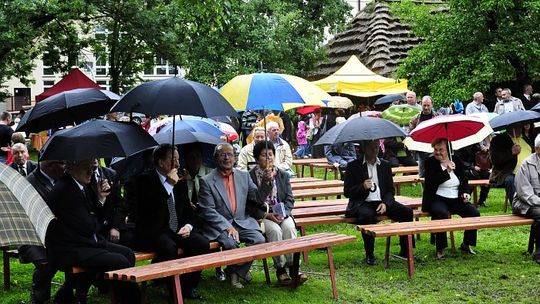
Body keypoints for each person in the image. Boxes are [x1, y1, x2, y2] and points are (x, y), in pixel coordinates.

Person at [46, 159, 140, 303]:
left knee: (128, 254)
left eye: (91, 167)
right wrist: (97, 211)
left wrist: (101, 199)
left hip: (85, 241)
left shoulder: (79, 184)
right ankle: (130, 300)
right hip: (69, 249)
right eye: (86, 167)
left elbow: (93, 220)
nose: (91, 171)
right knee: (120, 261)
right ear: (72, 166)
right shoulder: (66, 190)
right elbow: (90, 226)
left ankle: (117, 295)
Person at [132, 144, 210, 299]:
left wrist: (188, 226)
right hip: (153, 230)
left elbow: (188, 210)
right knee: (169, 248)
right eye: (173, 159)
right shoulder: (144, 180)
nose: (178, 163)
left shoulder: (179, 179)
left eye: (178, 159)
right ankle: (173, 290)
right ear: (161, 162)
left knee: (201, 243)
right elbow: (149, 212)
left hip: (176, 229)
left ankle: (187, 287)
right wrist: (168, 185)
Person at [198, 143, 272, 288]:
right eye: (222, 155)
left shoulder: (243, 176)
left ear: (235, 157)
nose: (226, 158)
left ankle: (235, 272)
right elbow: (208, 211)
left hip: (241, 221)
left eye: (230, 154)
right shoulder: (206, 181)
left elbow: (257, 198)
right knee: (231, 243)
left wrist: (265, 182)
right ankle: (238, 273)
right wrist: (227, 226)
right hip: (220, 226)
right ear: (215, 158)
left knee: (259, 240)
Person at [344, 140, 414, 265]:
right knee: (366, 215)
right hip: (363, 202)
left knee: (407, 213)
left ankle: (406, 250)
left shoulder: (385, 165)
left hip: (381, 201)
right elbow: (347, 192)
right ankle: (370, 254)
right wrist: (362, 186)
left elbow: (390, 190)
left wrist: (386, 203)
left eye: (376, 148)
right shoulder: (353, 166)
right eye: (371, 148)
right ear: (364, 149)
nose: (375, 151)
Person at [248, 141, 307, 285]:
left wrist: (284, 213)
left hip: (282, 213)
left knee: (289, 228)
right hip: (263, 216)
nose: (268, 158)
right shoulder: (250, 177)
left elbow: (289, 198)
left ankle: (293, 266)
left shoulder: (282, 175)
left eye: (270, 154)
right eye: (263, 155)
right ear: (257, 158)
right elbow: (250, 204)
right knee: (275, 231)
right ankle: (280, 269)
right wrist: (267, 215)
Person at [423, 138, 480, 259]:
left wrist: (465, 192)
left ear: (448, 150)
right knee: (441, 213)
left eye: (441, 150)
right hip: (437, 197)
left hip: (455, 197)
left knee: (473, 212)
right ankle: (440, 248)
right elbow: (430, 183)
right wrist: (447, 171)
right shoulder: (430, 162)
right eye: (435, 150)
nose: (438, 152)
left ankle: (466, 244)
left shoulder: (456, 160)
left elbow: (464, 180)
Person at [21, 160, 65, 304]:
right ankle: (39, 296)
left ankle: (67, 292)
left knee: (79, 255)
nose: (65, 167)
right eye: (62, 163)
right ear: (50, 165)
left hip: (57, 236)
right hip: (31, 237)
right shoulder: (29, 184)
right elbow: (24, 221)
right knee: (46, 263)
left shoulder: (62, 179)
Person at [513, 134, 540, 263]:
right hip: (524, 203)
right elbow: (525, 194)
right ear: (538, 149)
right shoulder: (526, 164)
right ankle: (539, 252)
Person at [490, 123, 532, 202]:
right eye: (515, 126)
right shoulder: (498, 140)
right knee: (510, 181)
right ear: (509, 127)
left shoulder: (526, 138)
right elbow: (495, 160)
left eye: (520, 126)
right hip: (507, 173)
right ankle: (517, 207)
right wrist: (511, 152)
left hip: (529, 172)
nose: (519, 128)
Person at [409, 96, 438, 177]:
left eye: (428, 105)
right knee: (422, 174)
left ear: (432, 105)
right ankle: (425, 189)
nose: (426, 108)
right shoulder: (414, 119)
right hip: (421, 149)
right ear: (421, 104)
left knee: (434, 171)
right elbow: (410, 134)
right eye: (424, 105)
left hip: (434, 148)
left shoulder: (438, 117)